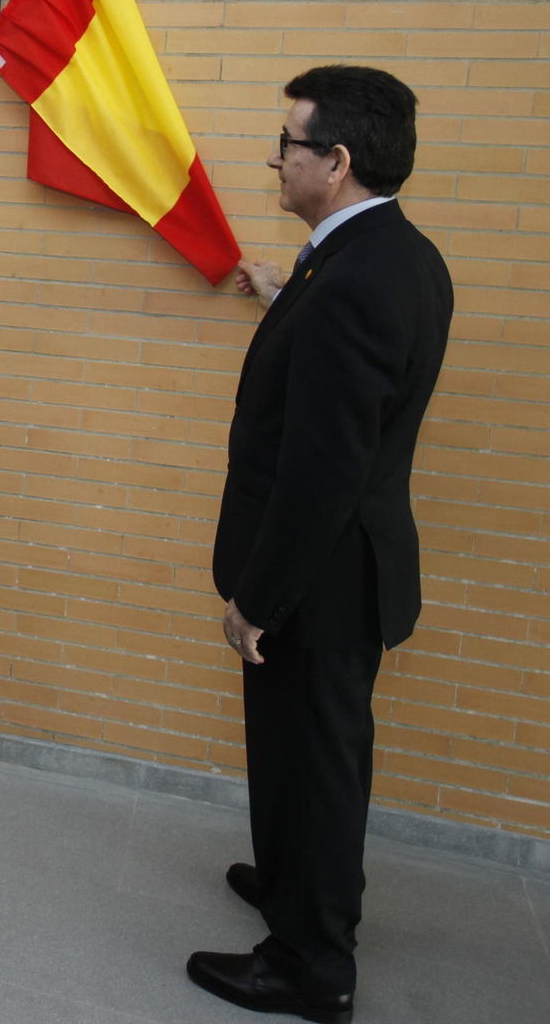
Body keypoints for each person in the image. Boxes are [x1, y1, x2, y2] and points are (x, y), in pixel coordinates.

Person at [188, 66, 453, 1022]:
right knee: (304, 754)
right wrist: (279, 290)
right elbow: (342, 371)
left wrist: (259, 598)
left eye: (288, 143)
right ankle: (294, 884)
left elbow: (323, 470)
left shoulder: (352, 281)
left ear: (335, 163)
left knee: (318, 764)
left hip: (319, 578)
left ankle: (312, 965)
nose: (275, 158)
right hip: (342, 566)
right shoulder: (381, 256)